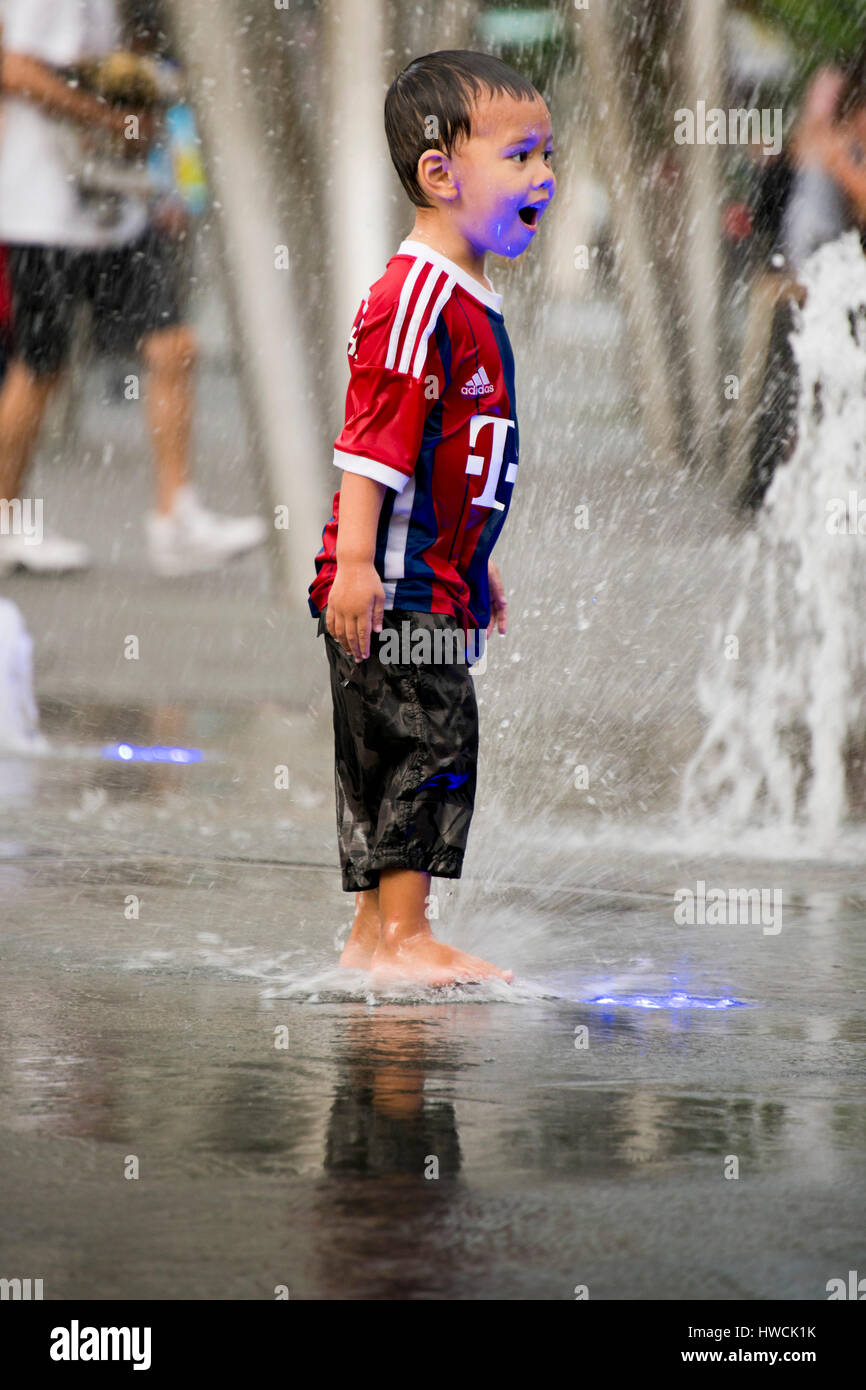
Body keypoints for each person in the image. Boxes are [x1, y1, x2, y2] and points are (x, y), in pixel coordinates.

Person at [308, 50, 555, 987]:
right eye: (523, 156)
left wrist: (474, 555)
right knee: (430, 744)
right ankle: (407, 936)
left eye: (546, 154)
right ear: (440, 174)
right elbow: (372, 438)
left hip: (424, 580)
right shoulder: (418, 295)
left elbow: (442, 455)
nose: (546, 176)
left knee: (385, 749)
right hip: (395, 594)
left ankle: (374, 939)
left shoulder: (464, 294)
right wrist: (361, 563)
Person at [0, 0, 266, 576]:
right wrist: (108, 116)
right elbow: (14, 69)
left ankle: (175, 518)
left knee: (174, 345)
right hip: (42, 210)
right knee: (38, 368)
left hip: (112, 205)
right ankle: (9, 522)